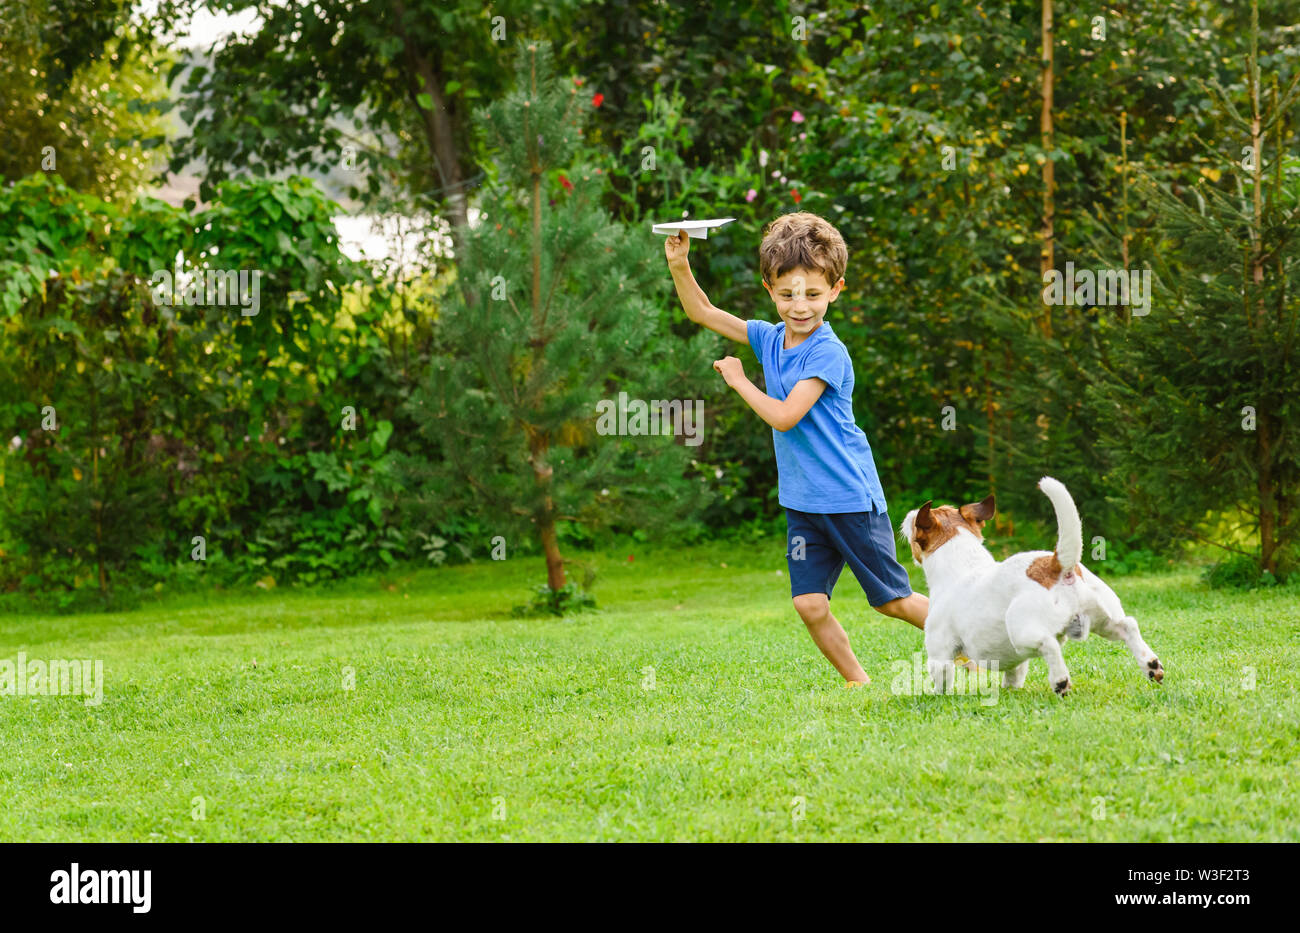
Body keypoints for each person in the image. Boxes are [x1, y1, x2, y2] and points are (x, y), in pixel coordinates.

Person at [665, 211, 929, 686]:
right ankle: (858, 682)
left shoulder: (828, 351)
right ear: (770, 290)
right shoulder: (768, 338)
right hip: (804, 504)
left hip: (850, 498)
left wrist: (739, 379)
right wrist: (681, 265)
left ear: (835, 290)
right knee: (808, 604)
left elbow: (786, 416)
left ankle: (974, 640)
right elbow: (701, 312)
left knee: (892, 600)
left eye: (812, 294)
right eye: (787, 295)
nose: (799, 306)